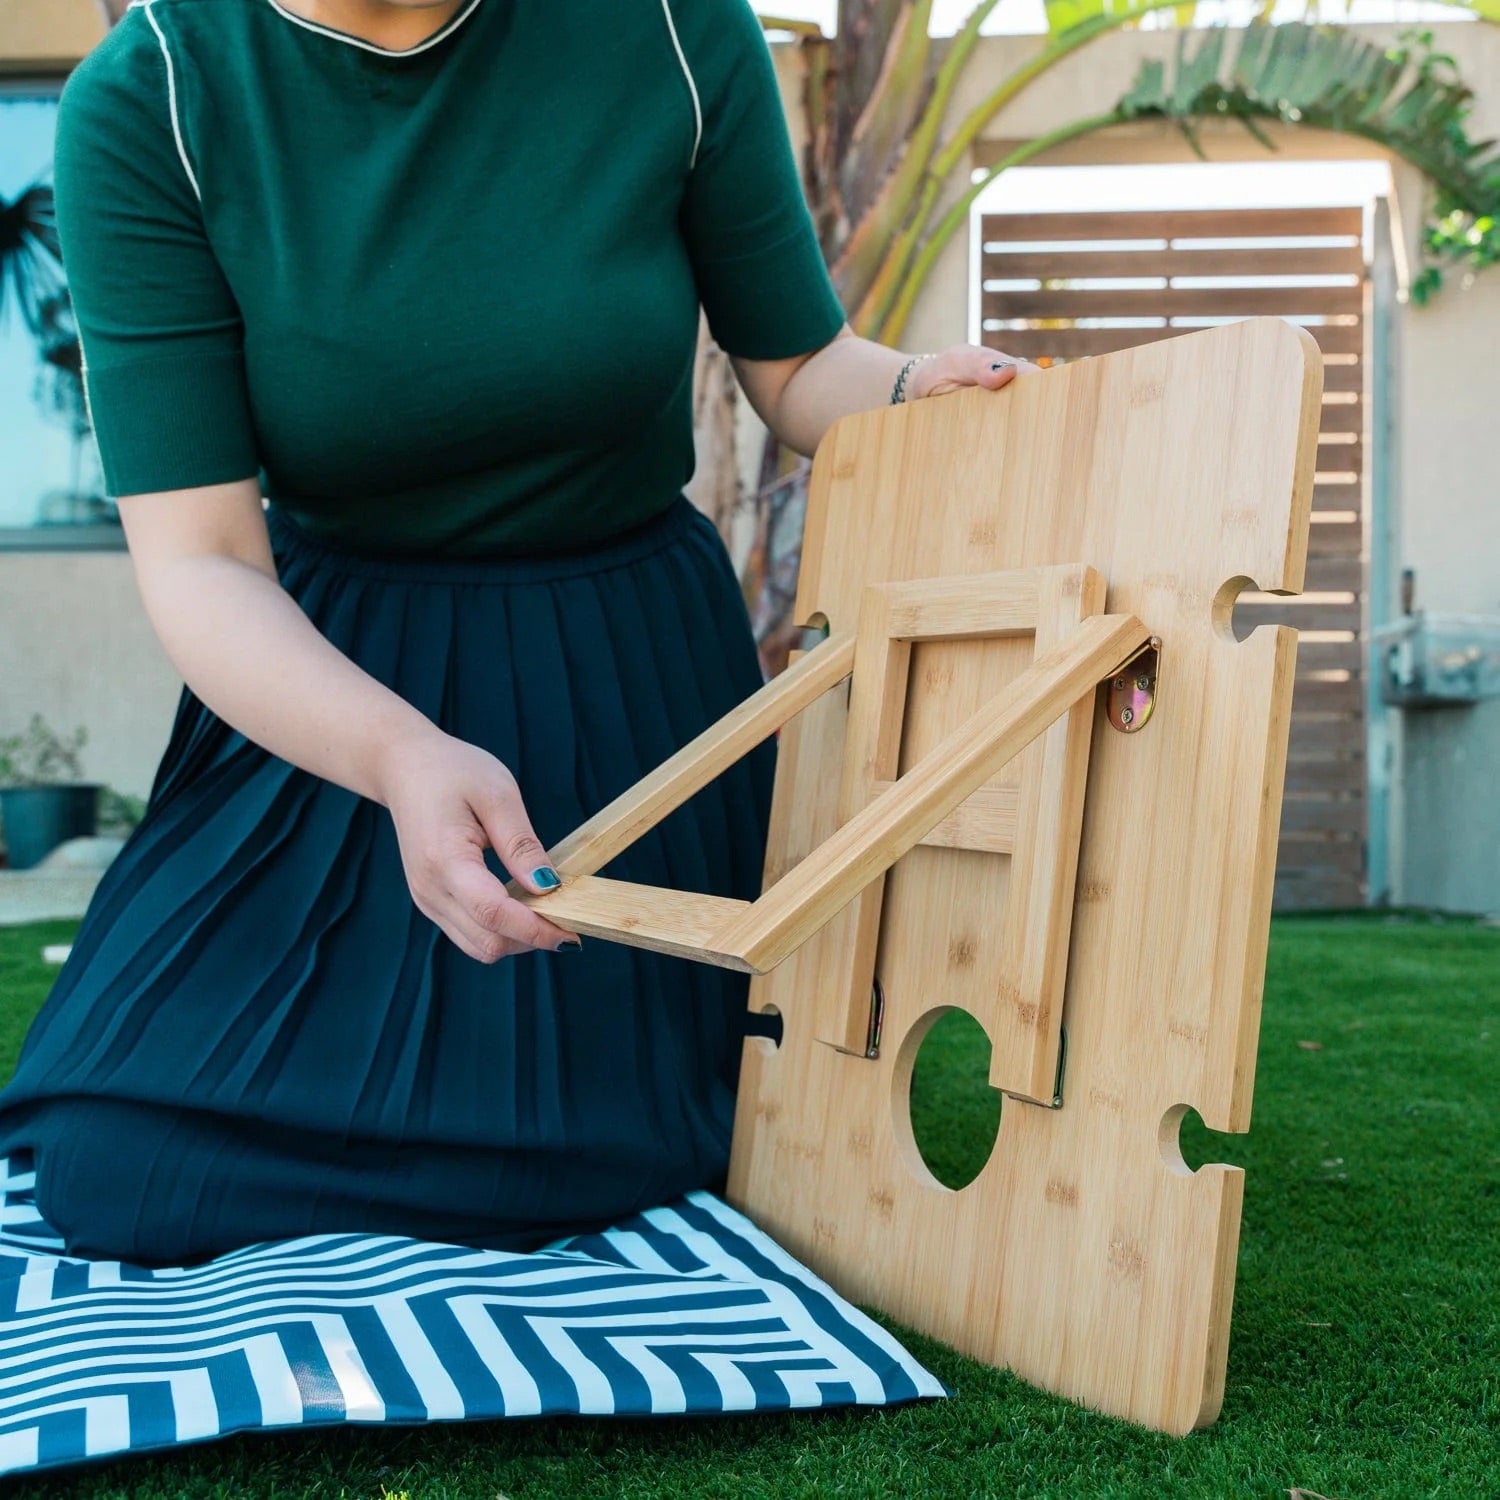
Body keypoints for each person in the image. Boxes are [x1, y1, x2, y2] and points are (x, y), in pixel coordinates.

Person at [0, 0, 1032, 1267]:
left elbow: (799, 365)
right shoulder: (150, 94)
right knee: (125, 1171)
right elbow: (204, 562)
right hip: (332, 701)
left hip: (621, 670)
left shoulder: (664, 27)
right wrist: (398, 759)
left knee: (610, 1140)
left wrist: (916, 389)